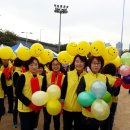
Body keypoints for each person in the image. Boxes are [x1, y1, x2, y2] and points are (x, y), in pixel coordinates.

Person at [77, 56, 121, 130]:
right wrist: (87, 107)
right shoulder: (84, 77)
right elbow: (79, 93)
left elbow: (109, 93)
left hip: (101, 112)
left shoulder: (104, 78)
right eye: (94, 63)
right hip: (88, 115)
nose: (96, 65)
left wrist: (115, 87)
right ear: (90, 64)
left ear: (101, 65)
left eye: (98, 63)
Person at [16, 57, 47, 130]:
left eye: (36, 64)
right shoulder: (23, 76)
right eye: (31, 65)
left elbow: (43, 93)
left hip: (36, 109)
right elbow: (18, 92)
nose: (34, 67)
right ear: (28, 66)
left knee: (33, 127)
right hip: (25, 109)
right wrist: (29, 103)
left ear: (38, 65)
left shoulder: (42, 78)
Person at [61, 54, 88, 130]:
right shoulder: (68, 74)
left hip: (81, 109)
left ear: (85, 63)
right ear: (74, 63)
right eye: (77, 61)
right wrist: (61, 103)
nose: (79, 64)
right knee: (66, 127)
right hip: (67, 108)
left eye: (81, 61)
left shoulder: (87, 76)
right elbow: (63, 89)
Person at [43, 58, 65, 130]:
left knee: (57, 121)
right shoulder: (46, 75)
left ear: (60, 65)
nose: (55, 66)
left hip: (57, 103)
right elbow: (43, 89)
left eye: (57, 64)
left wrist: (62, 102)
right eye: (54, 64)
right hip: (47, 103)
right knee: (46, 121)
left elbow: (64, 91)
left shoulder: (64, 77)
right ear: (51, 66)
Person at [101, 63, 121, 130]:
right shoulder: (117, 79)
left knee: (102, 118)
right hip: (113, 102)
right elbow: (116, 93)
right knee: (110, 118)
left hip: (102, 101)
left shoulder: (101, 77)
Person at [12, 58, 24, 128]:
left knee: (19, 108)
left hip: (20, 93)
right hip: (17, 94)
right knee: (16, 108)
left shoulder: (20, 71)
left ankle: (17, 121)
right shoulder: (17, 72)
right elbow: (15, 84)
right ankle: (15, 122)